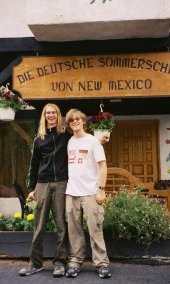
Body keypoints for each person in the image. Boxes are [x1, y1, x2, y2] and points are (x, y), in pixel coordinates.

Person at [19, 103, 70, 277]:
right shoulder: (38, 139)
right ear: (44, 116)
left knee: (61, 225)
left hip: (62, 183)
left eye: (53, 112)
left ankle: (60, 263)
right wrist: (31, 188)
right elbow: (33, 165)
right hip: (42, 183)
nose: (50, 115)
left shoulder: (66, 135)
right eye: (47, 113)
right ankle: (35, 263)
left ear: (58, 114)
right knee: (39, 225)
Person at [65, 108, 112, 279]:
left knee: (95, 228)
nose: (75, 122)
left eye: (78, 119)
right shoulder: (69, 141)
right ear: (69, 124)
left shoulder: (93, 142)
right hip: (71, 192)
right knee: (74, 230)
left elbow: (103, 166)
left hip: (91, 192)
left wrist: (101, 189)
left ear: (84, 121)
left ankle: (101, 263)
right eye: (72, 120)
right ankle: (76, 261)